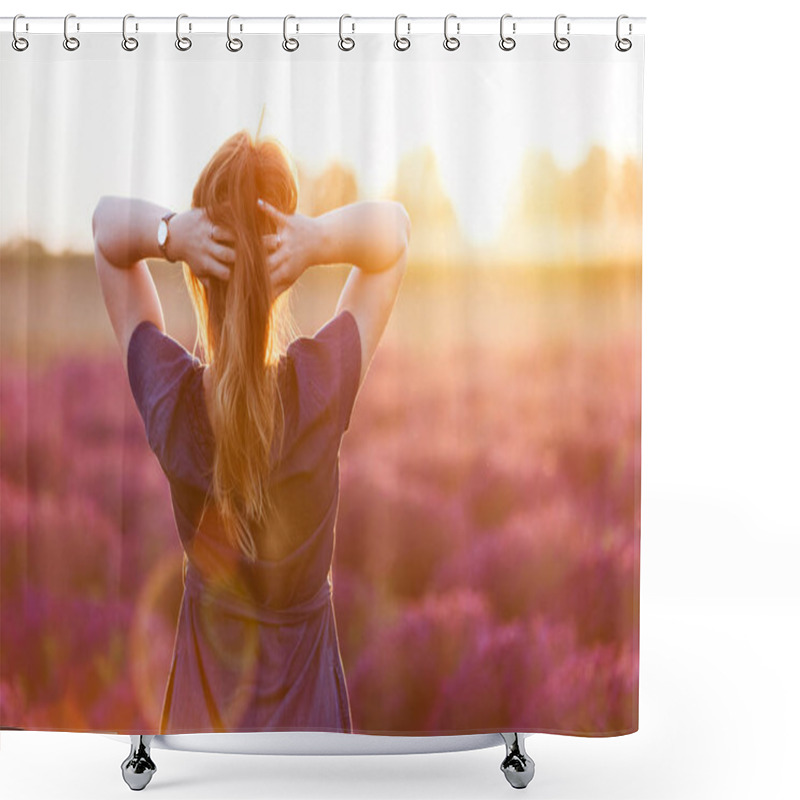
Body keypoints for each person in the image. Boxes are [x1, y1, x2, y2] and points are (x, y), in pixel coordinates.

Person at [91, 129, 410, 733]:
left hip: (204, 715)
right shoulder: (318, 388)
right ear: (282, 272)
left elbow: (106, 232)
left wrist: (170, 234)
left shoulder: (173, 400)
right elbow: (394, 232)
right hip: (309, 723)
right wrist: (316, 240)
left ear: (197, 271)